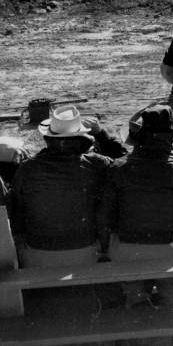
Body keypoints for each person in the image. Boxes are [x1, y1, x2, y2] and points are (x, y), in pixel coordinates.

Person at [98, 105, 173, 308]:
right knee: (171, 284)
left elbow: (105, 214)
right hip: (172, 249)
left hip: (128, 249)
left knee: (132, 283)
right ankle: (171, 304)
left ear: (142, 136)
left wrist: (104, 249)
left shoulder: (119, 167)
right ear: (172, 137)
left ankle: (136, 299)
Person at [9, 106, 110, 269]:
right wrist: (101, 134)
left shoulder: (28, 168)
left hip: (36, 253)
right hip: (85, 253)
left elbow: (17, 209)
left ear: (48, 139)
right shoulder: (97, 165)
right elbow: (124, 164)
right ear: (80, 139)